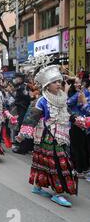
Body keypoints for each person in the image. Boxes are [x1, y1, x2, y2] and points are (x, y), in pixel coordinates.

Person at [16, 56, 79, 207]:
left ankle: (38, 186)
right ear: (47, 85)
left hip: (62, 136)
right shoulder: (41, 101)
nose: (59, 84)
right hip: (46, 137)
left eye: (59, 81)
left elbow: (69, 115)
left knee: (49, 162)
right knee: (55, 164)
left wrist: (81, 121)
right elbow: (30, 118)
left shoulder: (62, 98)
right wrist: (22, 135)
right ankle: (57, 193)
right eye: (55, 82)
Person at [67, 75, 90, 181]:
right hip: (78, 123)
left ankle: (80, 170)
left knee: (78, 148)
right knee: (79, 147)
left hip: (78, 123)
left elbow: (68, 103)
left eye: (78, 82)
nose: (77, 84)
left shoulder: (82, 93)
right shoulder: (79, 93)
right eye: (75, 82)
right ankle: (82, 169)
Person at [12, 72, 32, 154]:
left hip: (23, 109)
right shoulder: (21, 86)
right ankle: (25, 147)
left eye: (17, 77)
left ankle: (22, 148)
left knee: (22, 128)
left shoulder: (23, 87)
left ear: (20, 78)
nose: (15, 79)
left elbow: (27, 98)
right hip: (22, 109)